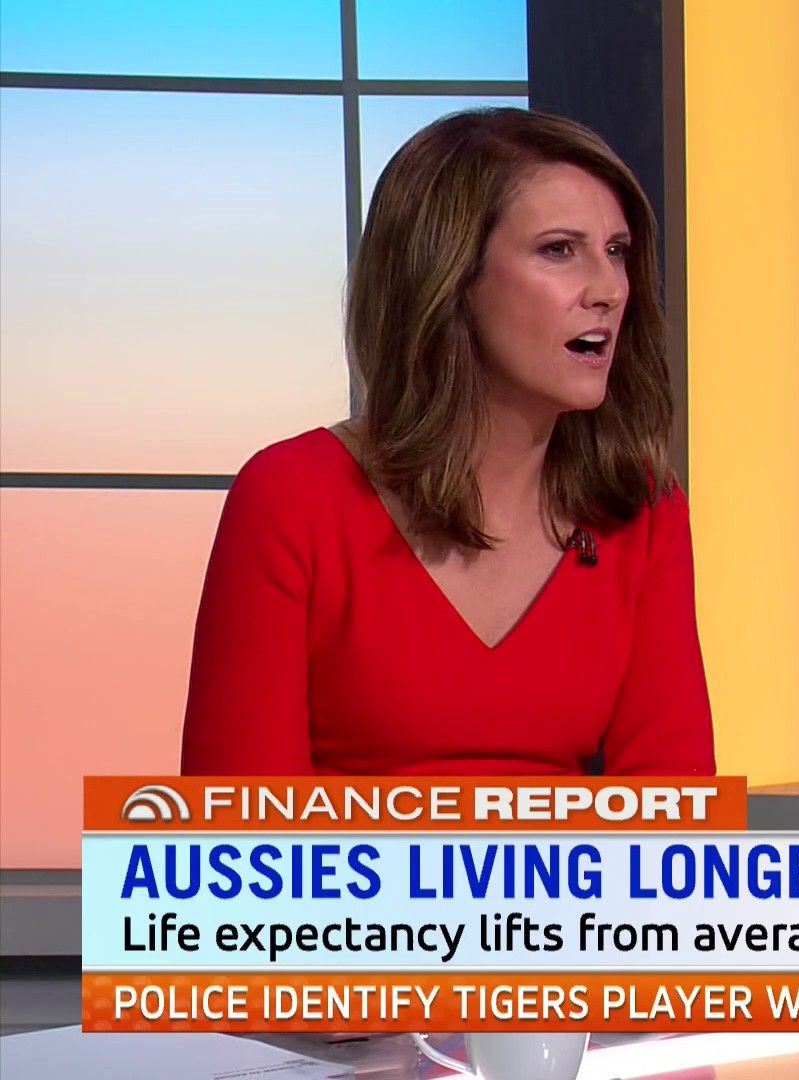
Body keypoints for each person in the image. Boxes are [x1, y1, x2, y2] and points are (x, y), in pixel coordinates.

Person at [181, 108, 713, 776]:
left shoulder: (640, 507)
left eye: (617, 251)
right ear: (449, 278)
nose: (609, 289)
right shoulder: (293, 498)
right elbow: (233, 821)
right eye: (559, 250)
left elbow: (676, 812)